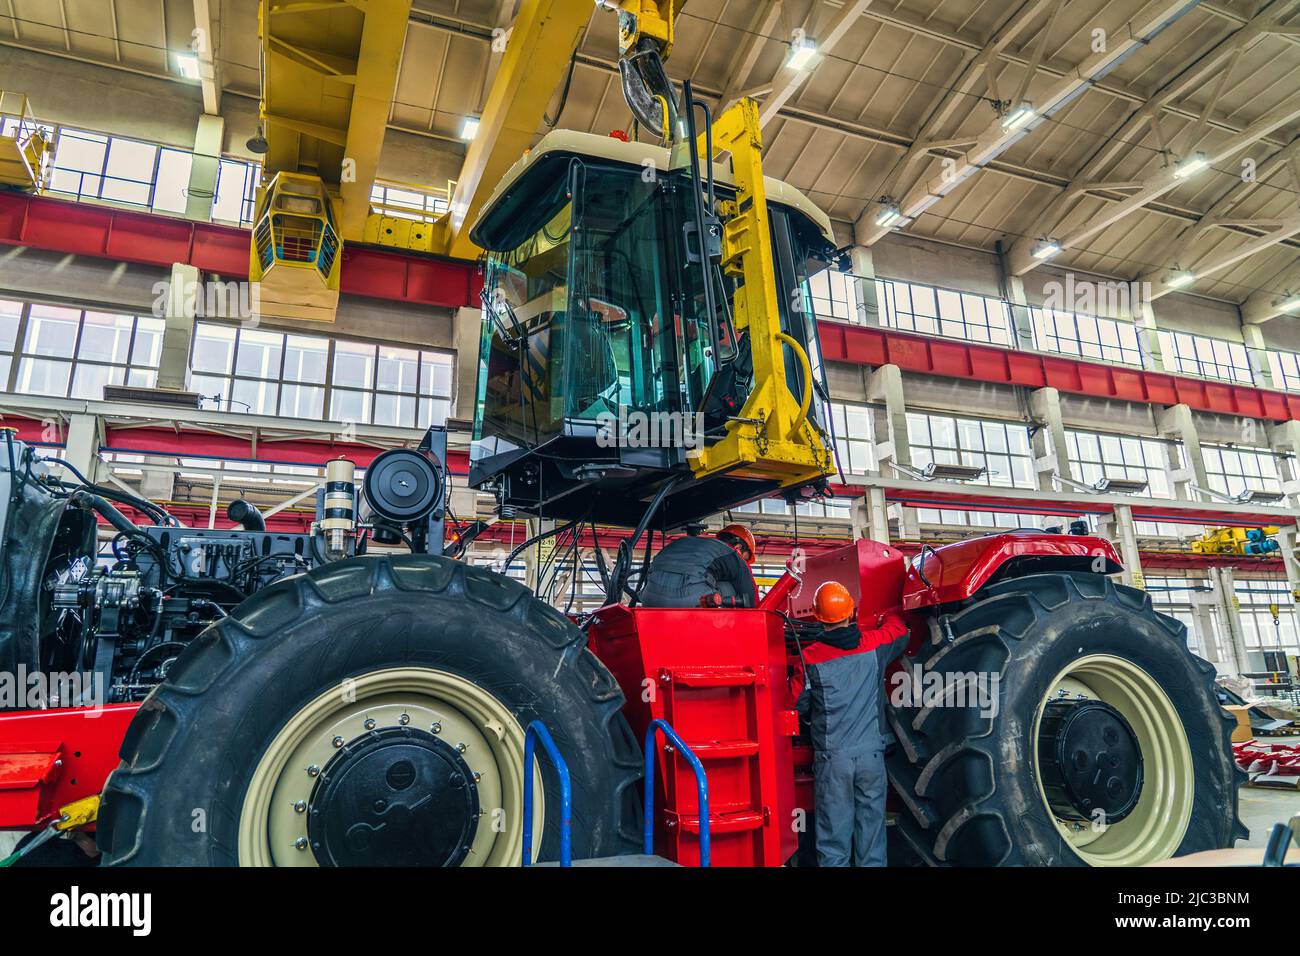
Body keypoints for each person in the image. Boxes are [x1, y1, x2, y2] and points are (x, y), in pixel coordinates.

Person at [792, 580, 909, 867]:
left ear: (818, 617)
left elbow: (798, 704)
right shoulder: (873, 646)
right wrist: (887, 613)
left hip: (834, 760)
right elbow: (900, 632)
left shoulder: (808, 659)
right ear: (852, 612)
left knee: (833, 836)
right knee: (872, 830)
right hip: (871, 756)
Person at [638, 525, 757, 609]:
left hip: (649, 601)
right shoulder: (731, 553)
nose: (745, 561)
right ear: (738, 547)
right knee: (730, 589)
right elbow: (752, 601)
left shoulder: (681, 543)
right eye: (746, 558)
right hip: (691, 604)